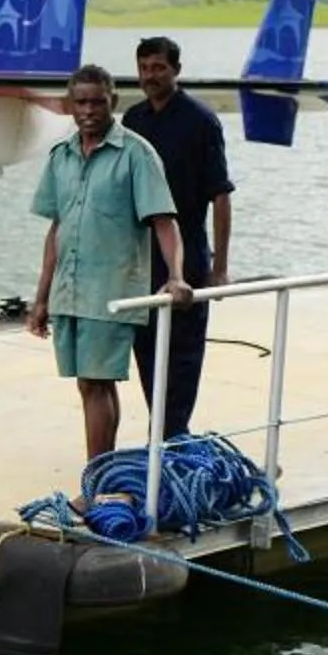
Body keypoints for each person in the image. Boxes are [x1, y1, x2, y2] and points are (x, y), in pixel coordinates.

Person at [28, 64, 190, 458]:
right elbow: (57, 229)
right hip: (70, 291)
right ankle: (103, 474)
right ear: (69, 106)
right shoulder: (61, 156)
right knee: (90, 385)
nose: (88, 111)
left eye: (97, 102)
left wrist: (177, 276)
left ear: (113, 102)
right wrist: (42, 297)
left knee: (97, 382)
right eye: (80, 102)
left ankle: (95, 482)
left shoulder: (136, 153)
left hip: (111, 290)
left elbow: (164, 222)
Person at [120, 35, 232, 440]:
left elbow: (220, 194)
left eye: (159, 69)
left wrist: (220, 270)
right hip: (142, 255)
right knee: (146, 350)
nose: (150, 76)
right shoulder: (132, 121)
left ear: (176, 71)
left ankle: (171, 439)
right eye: (144, 68)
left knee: (182, 355)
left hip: (190, 254)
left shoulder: (202, 121)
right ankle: (165, 437)